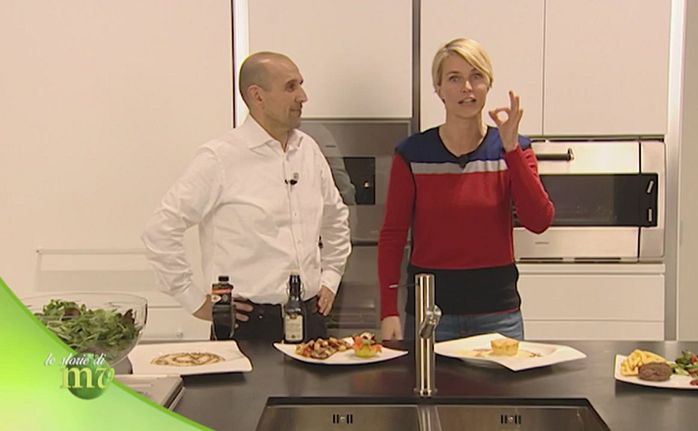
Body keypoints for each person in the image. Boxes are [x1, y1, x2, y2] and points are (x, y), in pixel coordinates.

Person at [142, 52, 351, 342]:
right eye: (290, 87)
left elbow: (336, 218)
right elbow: (160, 231)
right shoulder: (219, 158)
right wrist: (194, 301)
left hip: (310, 321)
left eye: (301, 85)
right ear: (257, 95)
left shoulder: (308, 151)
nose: (303, 97)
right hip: (247, 326)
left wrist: (331, 277)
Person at [377, 38, 554, 341]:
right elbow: (393, 235)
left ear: (488, 84)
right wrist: (388, 310)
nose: (466, 88)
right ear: (439, 88)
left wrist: (511, 149)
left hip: (498, 315)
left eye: (476, 76)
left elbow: (539, 221)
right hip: (430, 314)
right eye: (454, 78)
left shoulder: (515, 148)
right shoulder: (412, 154)